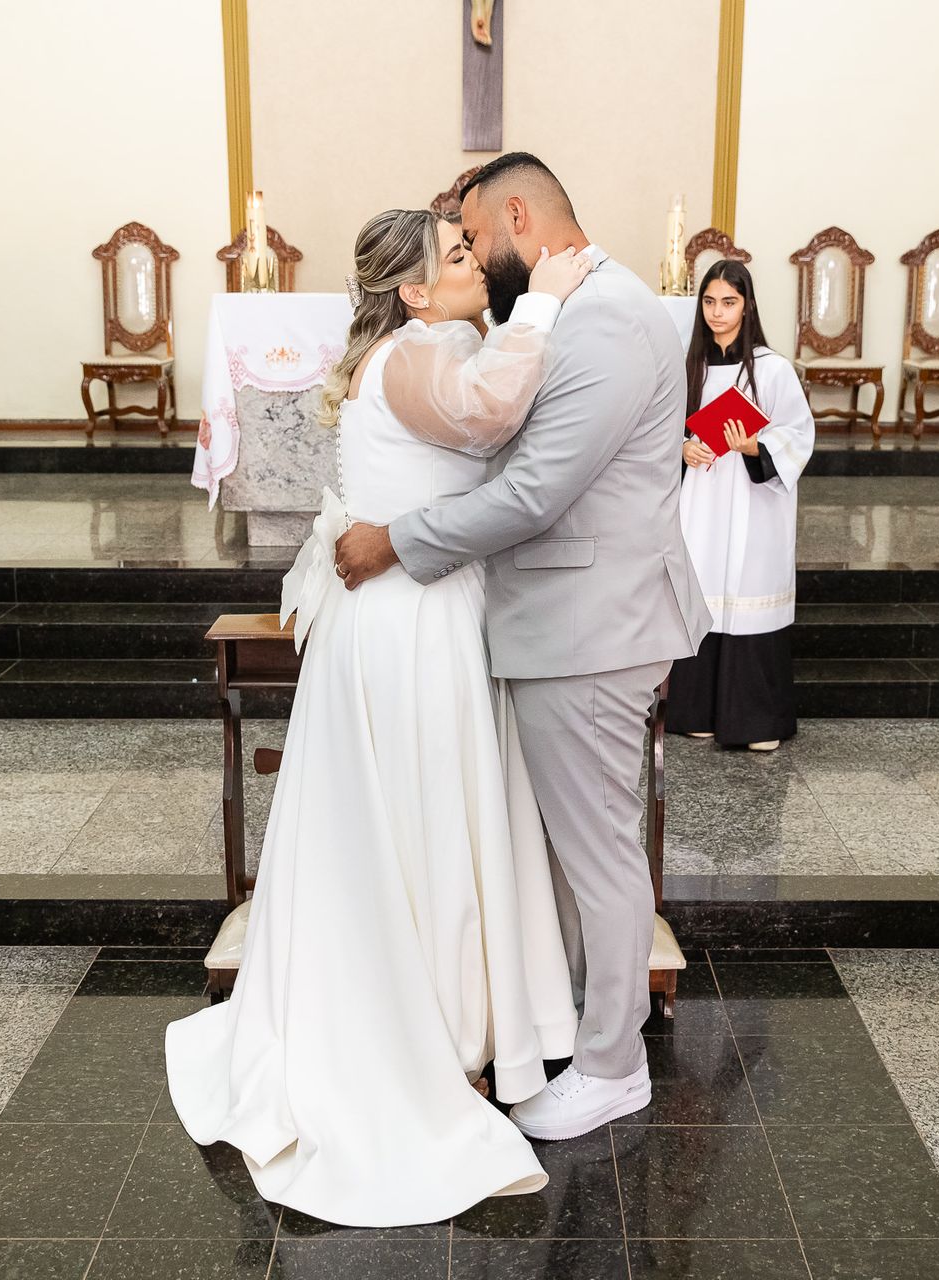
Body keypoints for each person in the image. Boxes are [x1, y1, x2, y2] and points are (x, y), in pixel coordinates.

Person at [165, 208, 595, 1227]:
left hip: (413, 606)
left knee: (418, 816)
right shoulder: (410, 358)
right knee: (422, 816)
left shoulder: (426, 345)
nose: (473, 262)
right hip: (408, 627)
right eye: (454, 256)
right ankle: (432, 1033)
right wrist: (544, 303)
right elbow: (490, 418)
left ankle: (445, 1017)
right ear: (409, 290)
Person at [334, 153, 712, 1142]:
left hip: (591, 626)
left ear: (515, 216)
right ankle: (570, 1024)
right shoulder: (564, 307)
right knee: (564, 849)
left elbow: (535, 490)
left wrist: (395, 540)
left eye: (472, 233)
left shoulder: (610, 318)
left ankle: (612, 1063)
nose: (471, 254)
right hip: (561, 619)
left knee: (598, 854)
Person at [669, 260, 815, 752]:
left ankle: (755, 720)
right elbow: (665, 428)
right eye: (709, 302)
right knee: (704, 586)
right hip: (704, 499)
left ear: (747, 304)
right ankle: (696, 710)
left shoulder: (772, 369)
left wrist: (755, 446)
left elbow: (798, 434)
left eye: (728, 302)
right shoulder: (690, 365)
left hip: (755, 505)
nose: (717, 312)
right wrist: (682, 447)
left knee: (747, 592)